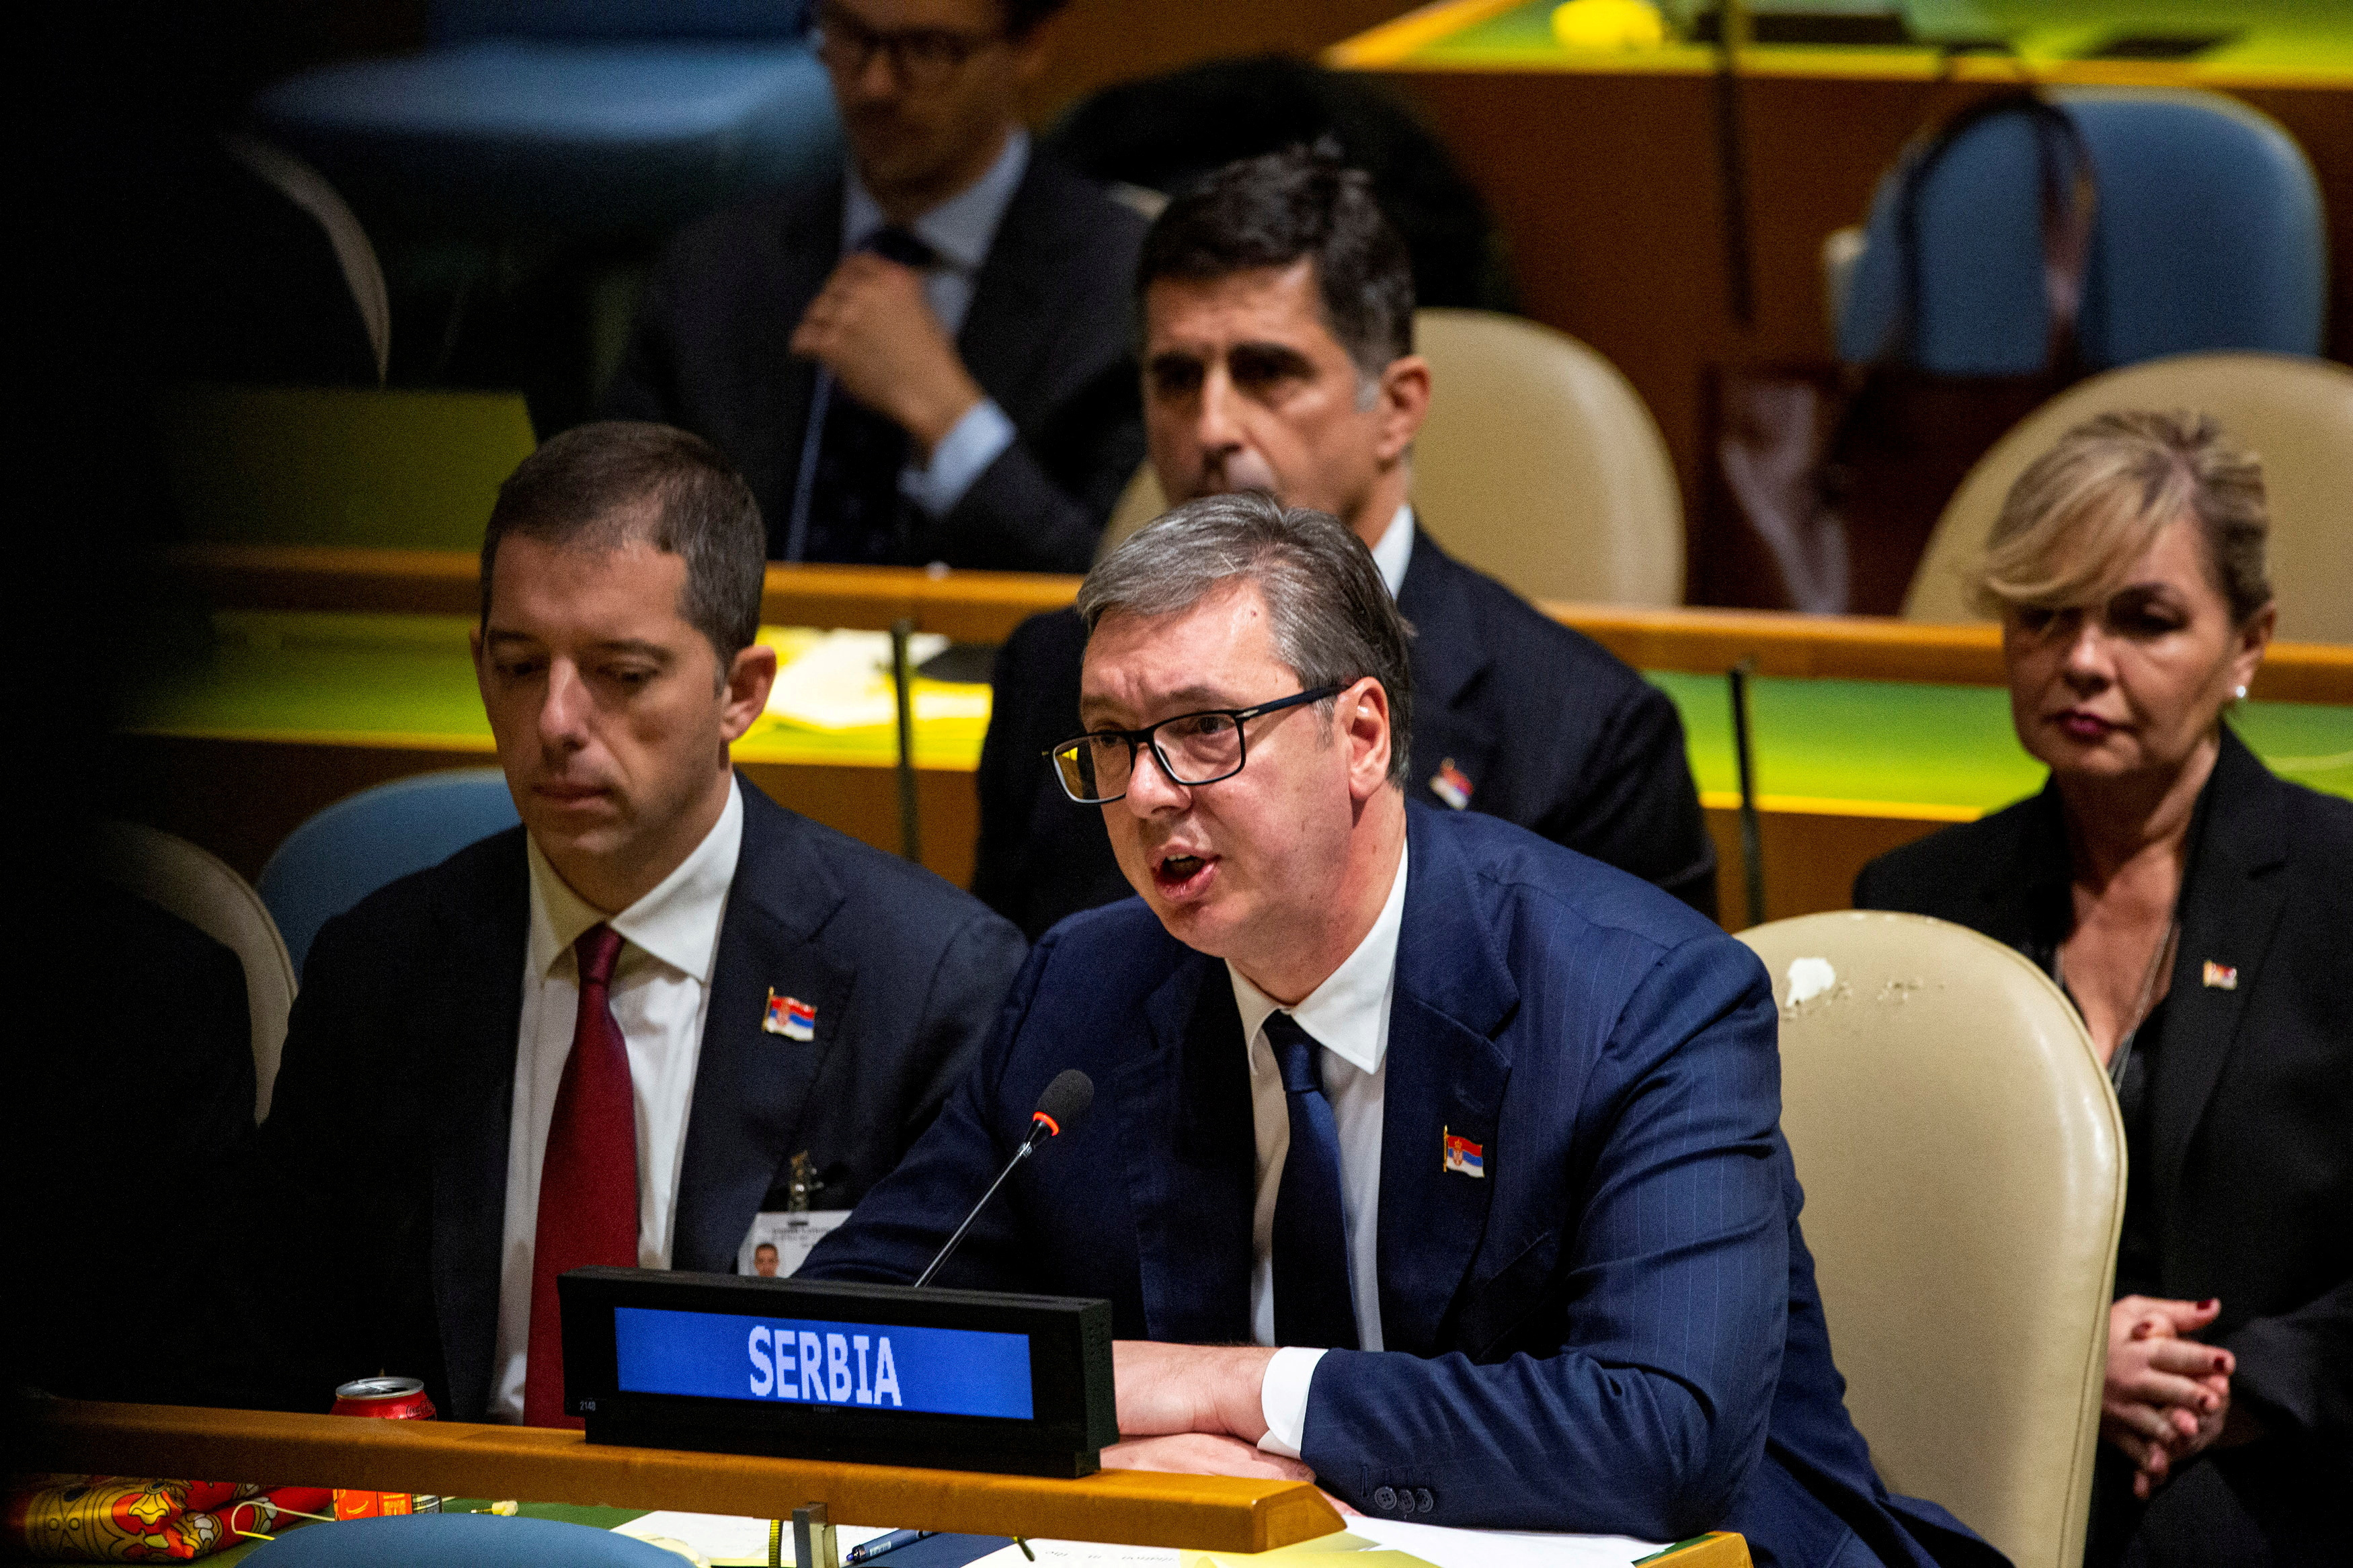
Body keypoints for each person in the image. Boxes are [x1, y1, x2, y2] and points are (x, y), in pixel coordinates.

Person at [808, 496, 2002, 1566]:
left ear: (1363, 734)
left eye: (1205, 727)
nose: (1149, 792)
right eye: (1112, 740)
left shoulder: (1641, 998)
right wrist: (1108, 1447)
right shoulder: (1084, 990)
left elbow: (1659, 1437)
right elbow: (837, 1335)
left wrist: (1232, 1390)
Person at [215, 423, 1027, 1424]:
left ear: (741, 692)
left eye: (622, 673)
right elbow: (264, 1358)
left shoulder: (926, 982)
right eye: (520, 666)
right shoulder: (380, 968)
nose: (557, 721)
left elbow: (962, 1385)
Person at [973, 149, 1714, 940]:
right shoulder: (1054, 677)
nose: (1211, 427)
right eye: (1177, 378)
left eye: (1266, 372)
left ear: (1396, 408)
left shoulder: (1587, 736)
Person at [1854, 413, 2349, 1568]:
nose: (2082, 659)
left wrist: (2240, 1385)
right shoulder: (1918, 899)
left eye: (2144, 620)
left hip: (2286, 1475)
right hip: (1969, 1462)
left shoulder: (2339, 890)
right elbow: (1867, 1239)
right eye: (2045, 616)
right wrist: (2069, 1356)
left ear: (2249, 643)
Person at [603, 0, 1144, 573]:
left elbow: (1125, 588)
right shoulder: (715, 265)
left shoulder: (1125, 283)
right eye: (850, 36)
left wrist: (952, 423)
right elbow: (605, 535)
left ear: (1029, 45)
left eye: (927, 50)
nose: (875, 86)